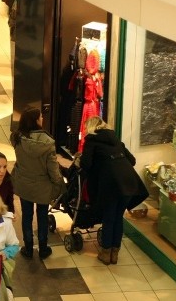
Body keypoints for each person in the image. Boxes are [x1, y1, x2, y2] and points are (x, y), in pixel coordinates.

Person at [80, 116, 145, 265]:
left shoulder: (91, 141)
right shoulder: (116, 140)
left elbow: (86, 164)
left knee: (109, 217)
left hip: (111, 185)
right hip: (129, 183)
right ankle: (114, 253)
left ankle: (106, 253)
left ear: (90, 128)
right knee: (118, 217)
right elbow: (132, 160)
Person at [10, 106, 64, 260]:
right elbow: (53, 168)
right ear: (35, 121)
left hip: (24, 183)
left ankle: (27, 248)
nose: (42, 119)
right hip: (43, 186)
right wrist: (59, 183)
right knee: (41, 216)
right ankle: (43, 248)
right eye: (40, 117)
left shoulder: (17, 138)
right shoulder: (47, 143)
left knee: (26, 216)